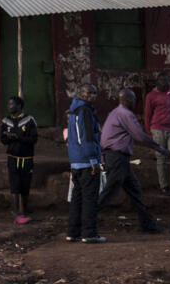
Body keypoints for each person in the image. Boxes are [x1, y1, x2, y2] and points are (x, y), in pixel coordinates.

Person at [98, 88, 170, 234]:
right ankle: (84, 222)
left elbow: (104, 138)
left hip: (117, 158)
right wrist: (161, 149)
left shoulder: (114, 112)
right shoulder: (126, 114)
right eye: (134, 99)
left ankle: (147, 225)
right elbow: (140, 136)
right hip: (118, 158)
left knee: (135, 191)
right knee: (109, 192)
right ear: (129, 100)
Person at [66, 83, 104, 243]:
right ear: (81, 94)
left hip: (75, 162)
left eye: (94, 93)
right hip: (87, 162)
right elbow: (87, 137)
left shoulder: (73, 110)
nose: (92, 96)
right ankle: (89, 234)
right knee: (89, 199)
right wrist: (94, 161)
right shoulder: (85, 111)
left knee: (77, 199)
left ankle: (73, 233)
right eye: (89, 93)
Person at [0, 96, 38, 224]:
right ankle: (16, 213)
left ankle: (24, 212)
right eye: (9, 104)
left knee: (25, 187)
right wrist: (9, 137)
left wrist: (18, 137)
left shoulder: (29, 120)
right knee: (14, 186)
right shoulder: (6, 121)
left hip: (26, 159)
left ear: (19, 106)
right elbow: (3, 139)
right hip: (12, 158)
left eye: (12, 104)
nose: (9, 106)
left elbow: (33, 139)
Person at [143, 73, 170, 195]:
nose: (164, 83)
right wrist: (149, 133)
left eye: (166, 80)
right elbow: (147, 115)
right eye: (162, 80)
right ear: (157, 82)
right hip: (157, 130)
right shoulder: (151, 96)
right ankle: (164, 186)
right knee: (161, 158)